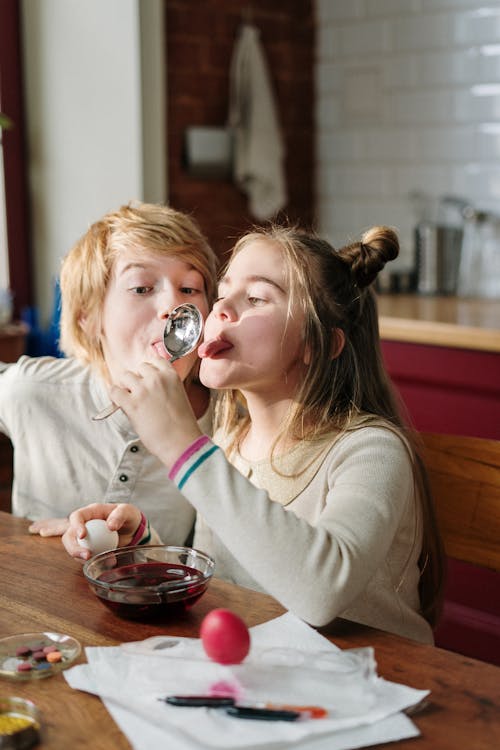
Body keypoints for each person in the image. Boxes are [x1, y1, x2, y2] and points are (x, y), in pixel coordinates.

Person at [62, 224, 445, 643]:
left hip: (378, 683)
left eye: (256, 298)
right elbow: (235, 576)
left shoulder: (371, 452)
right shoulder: (231, 442)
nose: (220, 309)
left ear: (316, 345)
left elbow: (320, 592)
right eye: (222, 293)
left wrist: (182, 448)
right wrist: (142, 543)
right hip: (269, 674)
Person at [0, 201, 218, 545]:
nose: (171, 307)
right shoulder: (34, 390)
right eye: (142, 288)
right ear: (89, 317)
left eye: (189, 288)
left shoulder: (228, 426)